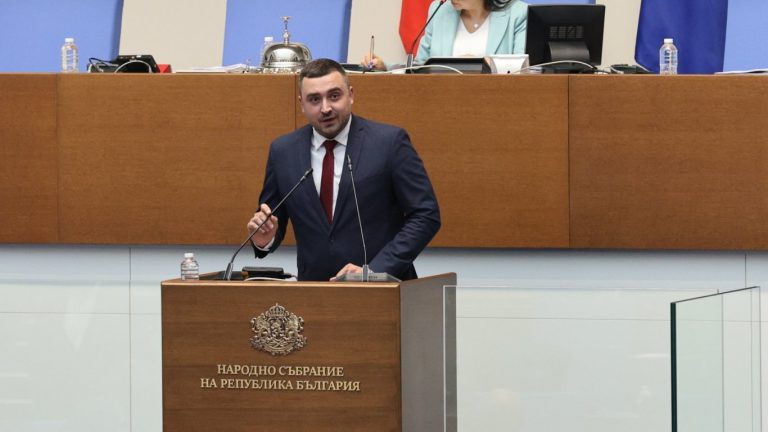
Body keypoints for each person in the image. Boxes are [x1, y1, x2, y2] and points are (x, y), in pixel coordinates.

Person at [247, 58, 441, 281]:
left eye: (334, 96)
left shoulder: (389, 142)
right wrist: (264, 239)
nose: (325, 108)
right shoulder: (283, 151)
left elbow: (426, 215)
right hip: (315, 291)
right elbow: (273, 220)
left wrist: (374, 271)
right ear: (302, 104)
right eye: (314, 99)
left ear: (351, 94)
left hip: (383, 289)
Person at [364, 0, 528, 71]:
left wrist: (478, 64)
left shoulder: (517, 13)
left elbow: (524, 69)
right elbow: (421, 68)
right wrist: (386, 67)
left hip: (496, 104)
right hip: (442, 102)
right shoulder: (440, 10)